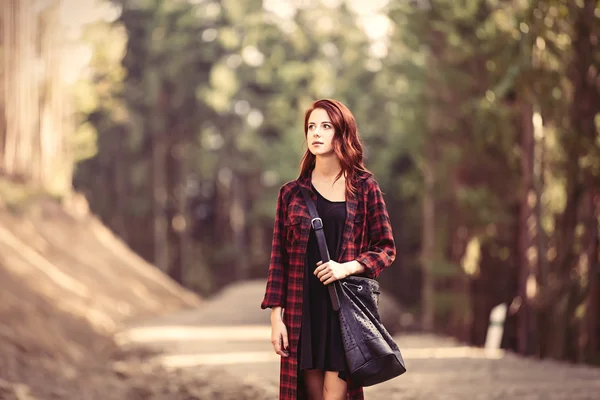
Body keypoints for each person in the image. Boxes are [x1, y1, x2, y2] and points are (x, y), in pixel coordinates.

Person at [261, 99, 396, 400]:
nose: (316, 133)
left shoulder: (364, 187)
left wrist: (346, 267)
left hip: (343, 312)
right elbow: (278, 260)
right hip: (302, 311)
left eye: (326, 126)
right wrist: (275, 317)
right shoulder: (291, 194)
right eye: (311, 126)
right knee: (308, 395)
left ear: (342, 133)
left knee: (334, 395)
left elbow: (386, 248)